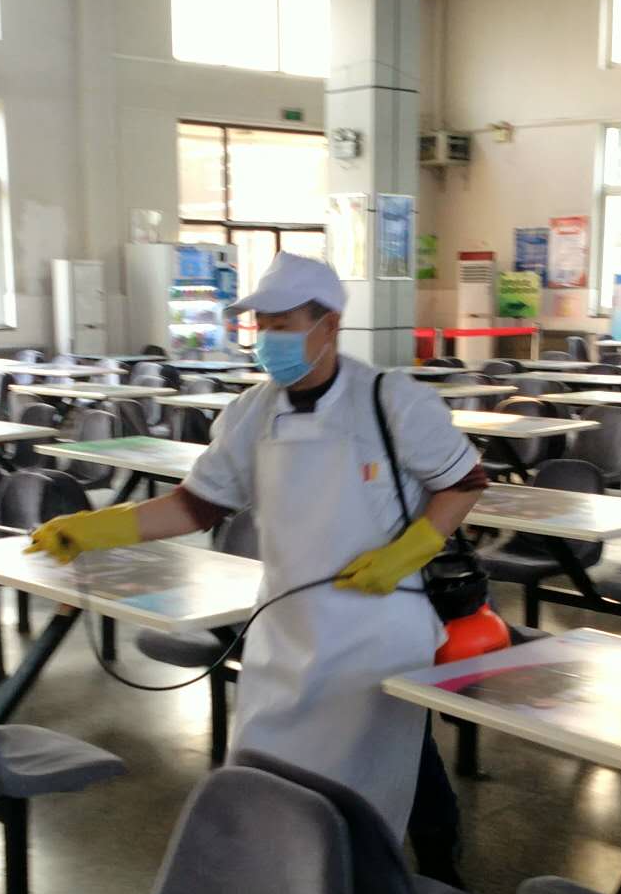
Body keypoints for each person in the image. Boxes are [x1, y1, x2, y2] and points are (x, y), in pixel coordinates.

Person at [30, 254, 486, 845]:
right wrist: (96, 529)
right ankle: (290, 876)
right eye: (263, 326)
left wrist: (409, 551)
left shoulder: (390, 401)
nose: (270, 339)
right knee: (272, 773)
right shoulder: (252, 413)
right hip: (286, 629)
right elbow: (197, 506)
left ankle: (411, 872)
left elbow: (465, 481)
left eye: (284, 324)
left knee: (374, 778)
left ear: (330, 325)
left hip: (376, 630)